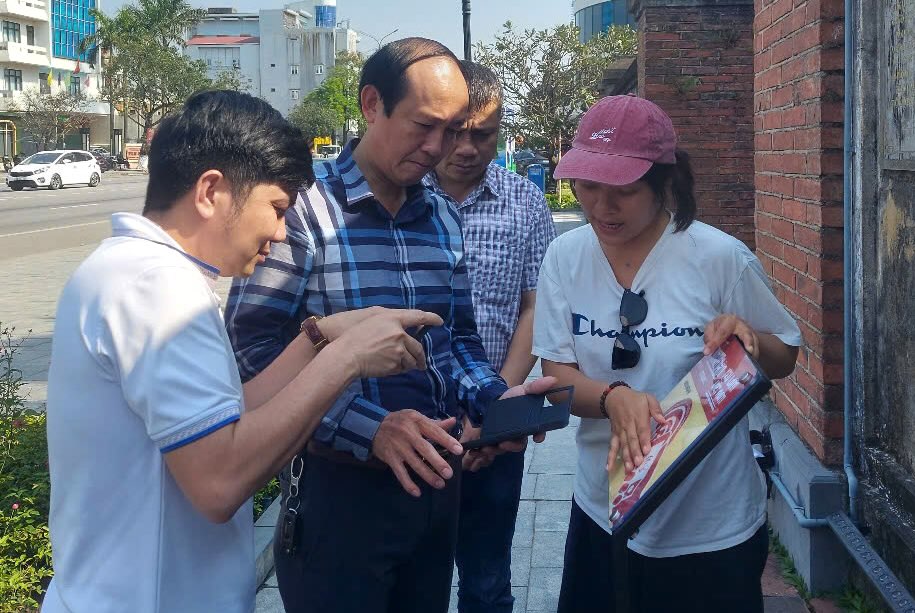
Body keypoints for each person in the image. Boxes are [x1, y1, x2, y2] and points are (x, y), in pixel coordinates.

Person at [43, 90, 442, 613]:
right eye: (276, 209)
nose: (279, 234)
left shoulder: (125, 268)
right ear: (211, 191)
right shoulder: (159, 289)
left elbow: (230, 417)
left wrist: (319, 338)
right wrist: (347, 362)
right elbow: (219, 480)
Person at [225, 38, 553, 613]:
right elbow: (251, 352)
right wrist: (369, 428)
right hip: (338, 491)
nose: (439, 148)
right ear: (372, 104)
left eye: (452, 130)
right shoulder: (301, 208)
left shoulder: (442, 213)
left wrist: (494, 405)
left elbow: (456, 340)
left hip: (434, 481)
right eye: (423, 126)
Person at [531, 94, 801, 612]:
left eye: (624, 192)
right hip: (603, 507)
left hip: (710, 522)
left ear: (664, 183)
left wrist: (748, 338)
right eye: (587, 187)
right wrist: (613, 398)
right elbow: (557, 370)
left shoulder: (719, 258)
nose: (601, 208)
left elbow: (784, 355)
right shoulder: (565, 256)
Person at [423, 61, 555, 613]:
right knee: (416, 580)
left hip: (495, 424)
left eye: (485, 133)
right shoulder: (403, 199)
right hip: (418, 423)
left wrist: (495, 403)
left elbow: (536, 306)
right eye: (457, 131)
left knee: (487, 579)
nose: (469, 147)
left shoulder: (524, 202)